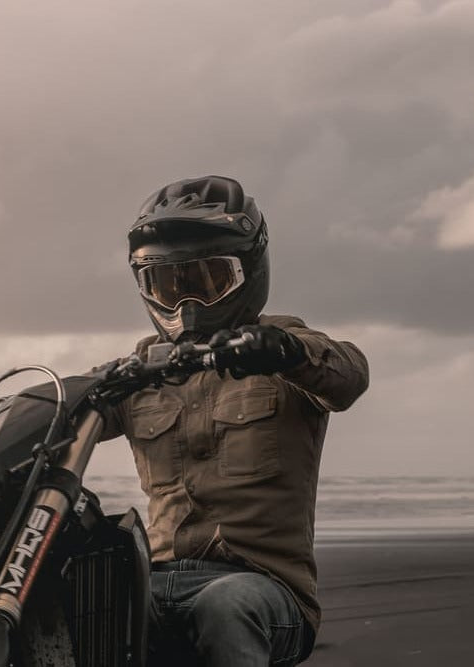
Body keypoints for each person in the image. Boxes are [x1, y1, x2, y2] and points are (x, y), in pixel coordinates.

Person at [99, 175, 369, 666]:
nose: (186, 303)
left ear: (250, 271)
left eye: (206, 282)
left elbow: (348, 376)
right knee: (73, 598)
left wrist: (283, 352)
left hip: (265, 587)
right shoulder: (139, 371)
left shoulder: (287, 349)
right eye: (167, 284)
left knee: (227, 604)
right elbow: (66, 417)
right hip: (152, 577)